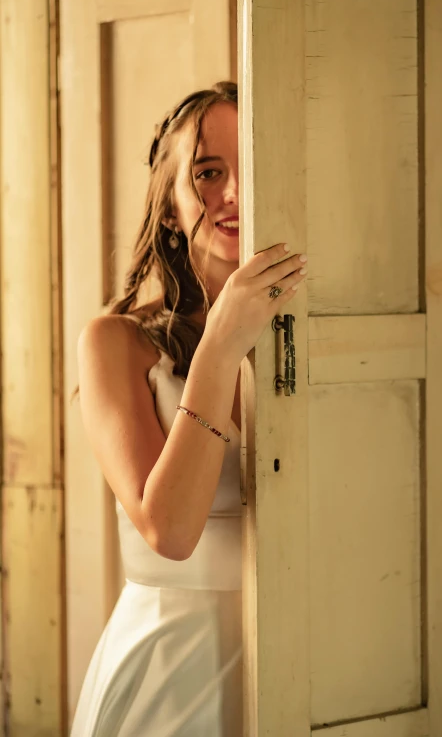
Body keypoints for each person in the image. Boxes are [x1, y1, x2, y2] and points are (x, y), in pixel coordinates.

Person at [69, 80, 308, 736]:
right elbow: (170, 532)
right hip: (173, 677)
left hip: (306, 664)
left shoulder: (310, 341)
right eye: (208, 172)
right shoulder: (116, 343)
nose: (235, 192)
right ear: (171, 206)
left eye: (249, 165)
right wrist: (221, 345)